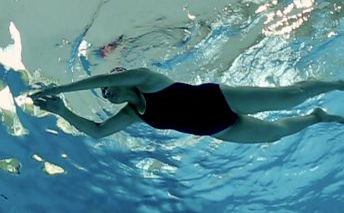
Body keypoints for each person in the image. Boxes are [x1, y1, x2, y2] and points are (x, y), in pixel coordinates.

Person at [30, 67, 344, 144]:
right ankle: (316, 117)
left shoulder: (146, 78)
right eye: (102, 93)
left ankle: (332, 84)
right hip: (219, 128)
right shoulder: (133, 114)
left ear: (122, 79)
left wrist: (60, 88)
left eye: (106, 86)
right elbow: (98, 132)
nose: (104, 93)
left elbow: (92, 79)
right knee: (275, 134)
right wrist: (62, 110)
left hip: (221, 98)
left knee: (288, 96)